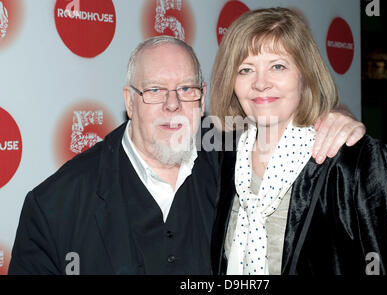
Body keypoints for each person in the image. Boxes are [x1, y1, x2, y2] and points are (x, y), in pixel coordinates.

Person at [9, 35, 364, 275]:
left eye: (186, 89)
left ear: (203, 96)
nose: (173, 104)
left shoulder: (236, 160)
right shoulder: (55, 205)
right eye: (154, 90)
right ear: (129, 101)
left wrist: (335, 119)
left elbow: (290, 129)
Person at [209, 8, 387, 275]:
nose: (260, 83)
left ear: (305, 74)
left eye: (278, 66)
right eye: (245, 69)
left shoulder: (354, 161)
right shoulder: (226, 157)